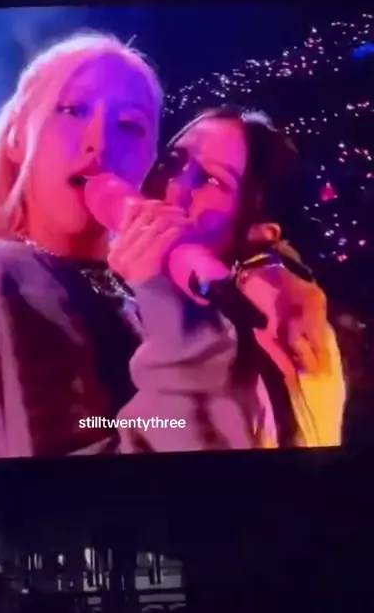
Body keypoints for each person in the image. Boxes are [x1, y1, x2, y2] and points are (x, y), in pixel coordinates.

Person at [0, 32, 163, 459]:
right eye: (72, 110)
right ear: (17, 137)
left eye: (130, 125)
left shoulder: (135, 287)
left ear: (150, 159)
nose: (101, 142)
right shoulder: (6, 272)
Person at [108, 106, 346, 450]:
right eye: (173, 161)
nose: (173, 185)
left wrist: (160, 296)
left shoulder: (268, 339)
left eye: (212, 180)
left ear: (259, 232)